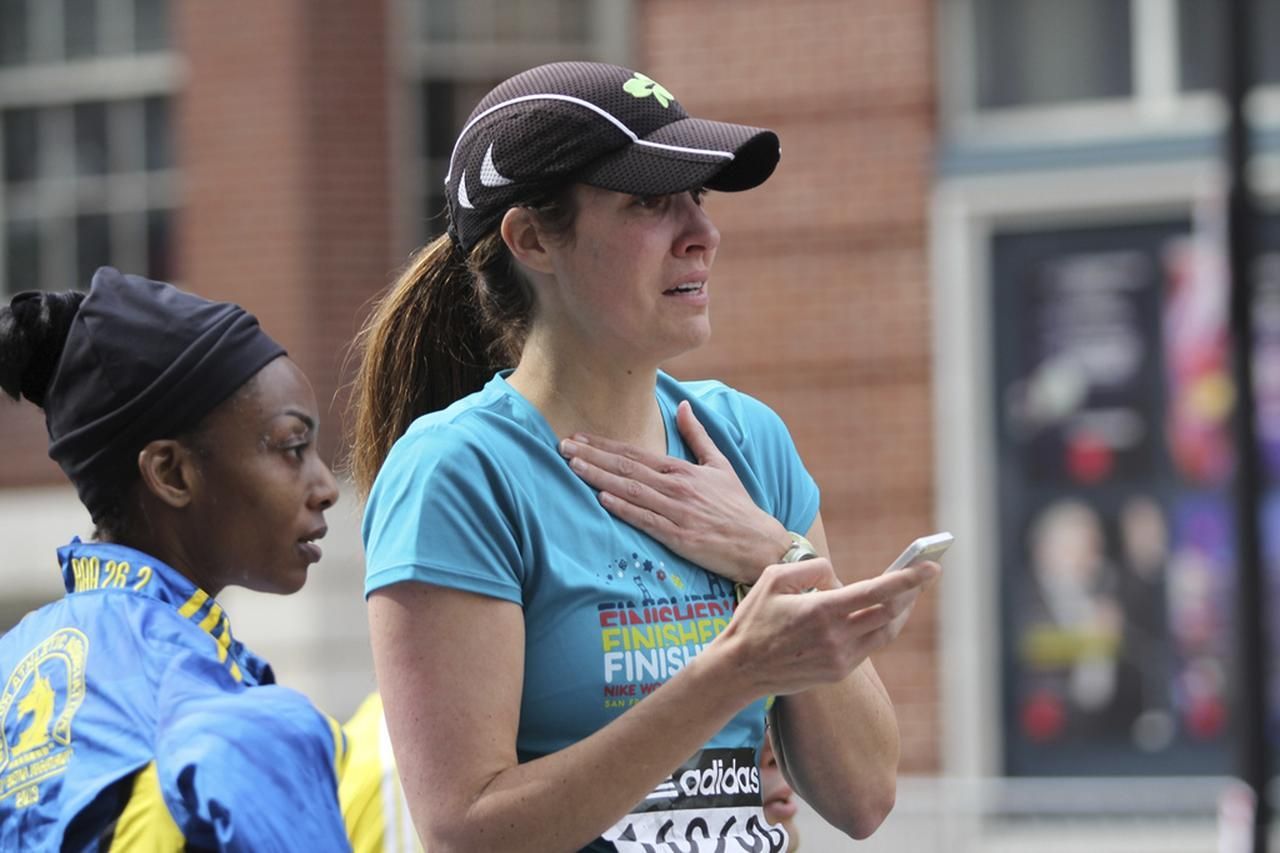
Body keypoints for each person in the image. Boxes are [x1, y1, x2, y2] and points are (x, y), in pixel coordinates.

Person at [350, 61, 939, 852]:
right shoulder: (460, 473)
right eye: (651, 203)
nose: (703, 232)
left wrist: (774, 551)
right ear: (531, 239)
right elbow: (466, 830)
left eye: (699, 197)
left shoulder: (747, 440)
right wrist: (732, 673)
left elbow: (864, 797)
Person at [0, 267, 350, 850]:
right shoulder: (243, 726)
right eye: (292, 447)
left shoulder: (12, 662)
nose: (325, 486)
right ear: (170, 472)